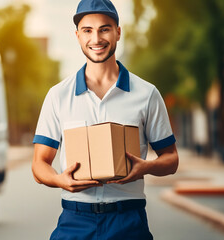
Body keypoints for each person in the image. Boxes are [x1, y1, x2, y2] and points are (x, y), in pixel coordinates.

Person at [31, 0, 179, 239]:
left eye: (105, 29)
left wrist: (146, 167)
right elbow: (39, 164)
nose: (96, 38)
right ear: (77, 35)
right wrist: (60, 180)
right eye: (88, 30)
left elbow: (171, 159)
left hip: (128, 221)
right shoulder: (58, 95)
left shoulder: (146, 94)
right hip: (75, 220)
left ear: (118, 32)